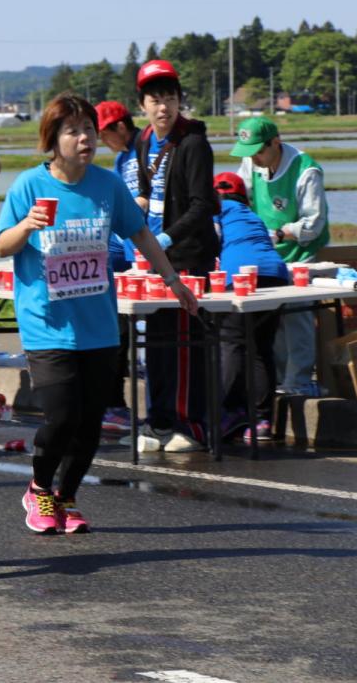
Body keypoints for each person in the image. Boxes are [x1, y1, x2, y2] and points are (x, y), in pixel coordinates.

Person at [0, 94, 196, 533]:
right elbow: (2, 245)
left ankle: (66, 497)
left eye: (88, 128)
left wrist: (174, 281)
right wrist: (26, 226)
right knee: (62, 416)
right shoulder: (30, 186)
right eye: (73, 130)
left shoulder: (107, 185)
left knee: (90, 425)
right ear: (53, 139)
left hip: (99, 325)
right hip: (47, 324)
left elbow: (141, 233)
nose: (85, 138)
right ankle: (40, 490)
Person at [131, 60, 219, 453]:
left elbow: (204, 204)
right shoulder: (143, 141)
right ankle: (159, 419)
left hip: (188, 255)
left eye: (170, 98)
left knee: (186, 342)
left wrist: (165, 237)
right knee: (159, 340)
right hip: (155, 256)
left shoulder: (194, 143)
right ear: (143, 104)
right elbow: (150, 192)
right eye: (155, 99)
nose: (163, 106)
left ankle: (190, 423)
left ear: (180, 101)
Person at [232, 115, 329, 397]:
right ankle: (277, 379)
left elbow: (314, 223)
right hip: (268, 253)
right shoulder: (252, 164)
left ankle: (298, 381)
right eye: (249, 153)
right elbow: (241, 198)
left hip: (302, 252)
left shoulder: (306, 170)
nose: (254, 158)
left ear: (276, 142)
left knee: (297, 316)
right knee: (271, 315)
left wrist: (280, 232)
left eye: (259, 151)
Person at [213, 172, 289, 441]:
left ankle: (229, 413)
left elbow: (212, 243)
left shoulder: (216, 210)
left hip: (241, 275)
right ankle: (262, 420)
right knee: (261, 345)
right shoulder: (251, 215)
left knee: (231, 341)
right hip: (276, 274)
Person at [95, 100, 141, 431]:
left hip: (135, 254)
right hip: (120, 253)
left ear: (120, 128)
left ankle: (115, 402)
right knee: (116, 330)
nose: (100, 141)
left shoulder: (142, 152)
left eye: (103, 134)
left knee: (121, 332)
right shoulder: (123, 157)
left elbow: (141, 203)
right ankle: (113, 402)